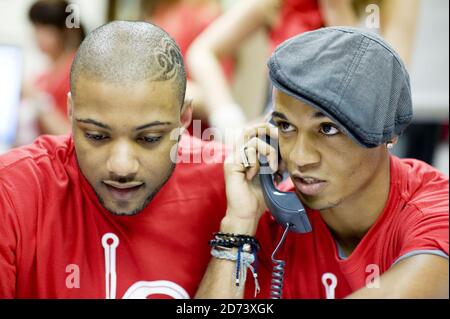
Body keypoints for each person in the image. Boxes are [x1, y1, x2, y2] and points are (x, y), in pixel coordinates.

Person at [196, 27, 449, 299]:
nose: (300, 158)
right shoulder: (275, 220)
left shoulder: (435, 209)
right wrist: (237, 226)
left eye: (328, 129)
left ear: (388, 133)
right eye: (286, 125)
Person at [0, 21, 228, 299]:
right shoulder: (14, 193)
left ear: (184, 118)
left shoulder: (233, 185)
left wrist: (237, 232)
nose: (121, 167)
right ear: (71, 112)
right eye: (96, 136)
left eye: (149, 138)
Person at [187, 0, 420, 136]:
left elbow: (389, 84)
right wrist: (229, 121)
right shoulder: (284, 4)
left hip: (352, 144)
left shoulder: (392, 6)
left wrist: (336, 9)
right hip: (280, 139)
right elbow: (203, 52)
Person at [20, 0, 86, 139]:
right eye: (36, 28)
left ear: (64, 31)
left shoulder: (78, 70)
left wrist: (38, 99)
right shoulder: (43, 75)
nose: (37, 36)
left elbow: (71, 135)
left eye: (44, 29)